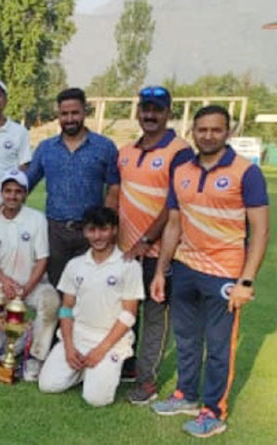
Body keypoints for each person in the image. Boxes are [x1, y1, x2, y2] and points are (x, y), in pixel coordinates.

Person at [150, 106, 269, 438]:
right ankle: (186, 395)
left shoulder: (246, 172)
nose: (208, 135)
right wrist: (162, 270)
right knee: (186, 338)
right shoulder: (182, 170)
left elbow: (260, 231)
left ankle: (213, 411)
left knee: (219, 346)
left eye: (216, 130)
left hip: (225, 273)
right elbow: (173, 225)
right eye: (202, 129)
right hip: (185, 267)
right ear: (193, 132)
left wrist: (246, 280)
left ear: (227, 132)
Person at [117, 86, 194, 401]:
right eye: (145, 108)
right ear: (137, 111)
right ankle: (128, 364)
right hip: (124, 251)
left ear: (168, 113)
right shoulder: (125, 152)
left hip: (158, 252)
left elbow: (173, 206)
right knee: (125, 308)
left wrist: (145, 239)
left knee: (153, 314)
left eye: (157, 109)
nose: (149, 115)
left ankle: (146, 380)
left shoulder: (180, 151)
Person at [38, 207, 144, 407]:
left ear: (113, 230)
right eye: (91, 230)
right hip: (78, 337)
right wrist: (69, 347)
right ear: (85, 232)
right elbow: (66, 308)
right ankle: (81, 370)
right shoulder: (75, 265)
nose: (97, 236)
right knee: (48, 385)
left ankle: (100, 370)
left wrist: (101, 350)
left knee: (96, 399)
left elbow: (129, 314)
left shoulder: (129, 266)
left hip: (110, 342)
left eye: (103, 230)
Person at [26, 87, 120, 289]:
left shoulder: (104, 147)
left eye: (74, 113)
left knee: (90, 288)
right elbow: (26, 183)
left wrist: (106, 228)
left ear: (84, 112)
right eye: (64, 114)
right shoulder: (46, 148)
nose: (69, 119)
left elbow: (114, 187)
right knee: (56, 288)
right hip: (55, 233)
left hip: (90, 232)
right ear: (58, 115)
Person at [0, 170, 60, 381]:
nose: (12, 196)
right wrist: (5, 282)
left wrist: (27, 289)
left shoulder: (36, 219)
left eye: (18, 192)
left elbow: (42, 259)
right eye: (8, 191)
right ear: (1, 193)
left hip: (31, 285)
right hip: (1, 285)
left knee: (50, 301)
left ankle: (35, 357)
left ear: (25, 194)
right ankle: (1, 346)